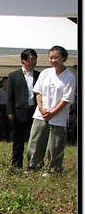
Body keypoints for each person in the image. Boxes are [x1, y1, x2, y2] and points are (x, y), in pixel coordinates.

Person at [26, 46, 76, 175]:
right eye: (51, 57)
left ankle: (53, 170)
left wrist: (53, 112)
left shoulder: (69, 76)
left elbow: (66, 99)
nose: (53, 60)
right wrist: (42, 108)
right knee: (36, 140)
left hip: (58, 116)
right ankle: (33, 166)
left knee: (55, 145)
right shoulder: (45, 73)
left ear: (63, 58)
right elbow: (38, 92)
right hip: (41, 113)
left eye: (56, 57)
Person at [6, 49, 40, 169]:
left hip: (34, 110)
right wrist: (10, 111)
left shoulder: (38, 75)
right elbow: (9, 95)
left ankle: (34, 163)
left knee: (35, 139)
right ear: (23, 60)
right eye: (31, 59)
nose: (34, 61)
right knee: (18, 140)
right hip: (19, 111)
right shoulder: (14, 76)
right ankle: (16, 164)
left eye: (35, 59)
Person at [0, 77, 11, 142]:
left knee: (8, 123)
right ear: (2, 83)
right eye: (5, 82)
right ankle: (1, 137)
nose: (6, 83)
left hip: (8, 107)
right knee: (1, 123)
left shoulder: (10, 91)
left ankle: (8, 137)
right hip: (2, 107)